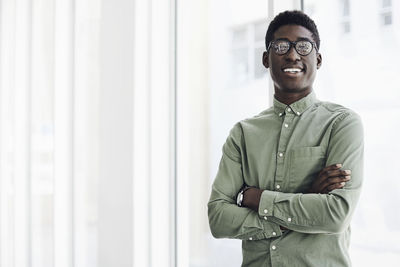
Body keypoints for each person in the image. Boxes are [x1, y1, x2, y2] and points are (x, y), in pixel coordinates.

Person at [207, 10, 363, 267]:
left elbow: (336, 214)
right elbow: (219, 218)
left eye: (303, 46)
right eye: (281, 46)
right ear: (266, 59)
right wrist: (308, 196)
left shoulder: (341, 124)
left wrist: (258, 199)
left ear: (318, 59)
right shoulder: (243, 134)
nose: (292, 54)